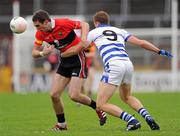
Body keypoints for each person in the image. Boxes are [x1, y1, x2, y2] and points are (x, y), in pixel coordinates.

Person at [61, 11, 173, 131]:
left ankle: (132, 121)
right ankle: (148, 117)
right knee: (127, 97)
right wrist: (159, 51)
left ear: (96, 22)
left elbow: (80, 47)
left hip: (114, 65)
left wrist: (64, 53)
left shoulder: (93, 32)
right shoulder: (120, 31)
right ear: (107, 22)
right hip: (127, 64)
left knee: (101, 104)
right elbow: (141, 43)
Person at [31, 9, 107, 131]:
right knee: (54, 95)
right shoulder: (40, 33)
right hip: (64, 61)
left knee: (74, 95)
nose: (37, 29)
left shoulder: (63, 23)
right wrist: (42, 52)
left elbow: (84, 24)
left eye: (38, 26)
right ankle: (62, 125)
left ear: (46, 22)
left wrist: (83, 38)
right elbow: (34, 52)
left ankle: (98, 108)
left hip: (78, 59)